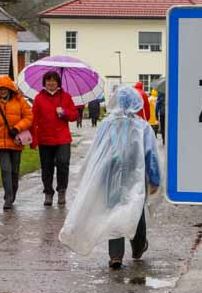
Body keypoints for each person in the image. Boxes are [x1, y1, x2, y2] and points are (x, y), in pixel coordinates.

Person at [58, 85, 161, 269]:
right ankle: (138, 247)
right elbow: (150, 154)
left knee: (113, 210)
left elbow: (96, 152)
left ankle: (116, 255)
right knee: (136, 209)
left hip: (110, 174)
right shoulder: (142, 126)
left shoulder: (106, 124)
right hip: (134, 175)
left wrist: (92, 175)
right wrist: (154, 179)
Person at [0, 75, 33, 210]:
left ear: (9, 88)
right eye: (0, 89)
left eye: (4, 88)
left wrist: (17, 128)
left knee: (14, 171)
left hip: (16, 142)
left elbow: (29, 117)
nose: (2, 91)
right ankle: (8, 198)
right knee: (5, 170)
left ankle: (12, 194)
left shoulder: (19, 101)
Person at [31, 71, 78, 207]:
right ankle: (48, 192)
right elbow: (33, 119)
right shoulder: (39, 98)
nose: (51, 83)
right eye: (48, 80)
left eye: (53, 80)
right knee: (47, 167)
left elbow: (74, 115)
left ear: (58, 82)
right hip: (45, 138)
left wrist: (64, 112)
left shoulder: (66, 97)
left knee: (63, 164)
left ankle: (62, 190)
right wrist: (33, 139)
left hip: (62, 138)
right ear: (44, 83)